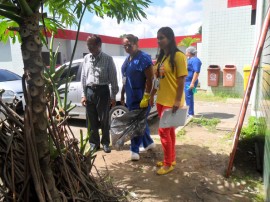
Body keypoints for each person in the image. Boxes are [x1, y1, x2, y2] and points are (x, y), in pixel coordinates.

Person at [150, 27, 187, 175]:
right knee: (169, 131)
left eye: (162, 37)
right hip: (161, 99)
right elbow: (157, 80)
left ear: (170, 38)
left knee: (163, 132)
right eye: (158, 38)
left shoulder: (178, 56)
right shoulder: (161, 57)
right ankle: (171, 159)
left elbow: (182, 79)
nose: (159, 40)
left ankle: (167, 164)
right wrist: (151, 94)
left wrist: (177, 101)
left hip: (171, 101)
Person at [81, 35, 119, 153]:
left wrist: (113, 96)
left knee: (104, 119)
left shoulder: (108, 59)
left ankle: (106, 143)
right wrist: (84, 94)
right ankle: (94, 144)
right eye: (88, 45)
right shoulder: (86, 58)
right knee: (91, 120)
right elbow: (83, 77)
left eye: (91, 45)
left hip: (103, 91)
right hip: (89, 91)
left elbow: (113, 79)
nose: (89, 48)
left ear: (99, 45)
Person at [120, 34, 155, 161]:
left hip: (141, 97)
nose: (126, 47)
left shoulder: (143, 58)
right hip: (130, 97)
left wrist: (147, 96)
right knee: (140, 122)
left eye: (129, 45)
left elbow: (150, 79)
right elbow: (125, 79)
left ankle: (134, 150)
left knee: (136, 124)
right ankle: (148, 142)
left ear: (136, 43)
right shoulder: (128, 58)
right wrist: (123, 93)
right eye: (124, 45)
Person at [185, 46, 202, 118]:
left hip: (190, 81)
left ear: (189, 52)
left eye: (186, 52)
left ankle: (190, 113)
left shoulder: (195, 60)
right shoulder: (189, 59)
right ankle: (189, 112)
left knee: (189, 96)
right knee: (187, 96)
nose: (185, 53)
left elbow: (196, 72)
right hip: (187, 81)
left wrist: (192, 83)